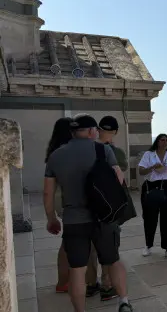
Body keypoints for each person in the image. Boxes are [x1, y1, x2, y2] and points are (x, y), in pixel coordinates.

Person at [43, 114, 132, 312]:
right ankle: (124, 302)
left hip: (74, 219)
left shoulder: (55, 156)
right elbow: (119, 179)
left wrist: (51, 218)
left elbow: (48, 191)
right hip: (103, 217)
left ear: (73, 132)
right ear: (92, 131)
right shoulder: (103, 149)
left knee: (77, 270)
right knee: (113, 260)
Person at [46, 117, 101, 296]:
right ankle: (90, 282)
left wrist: (51, 217)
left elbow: (48, 191)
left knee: (67, 243)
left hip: (62, 200)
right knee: (88, 244)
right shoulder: (87, 149)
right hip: (77, 202)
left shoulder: (56, 152)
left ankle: (63, 281)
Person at [95, 115, 133, 301]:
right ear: (116, 132)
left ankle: (88, 284)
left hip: (87, 205)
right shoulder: (114, 152)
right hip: (109, 206)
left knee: (89, 248)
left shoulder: (87, 148)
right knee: (109, 247)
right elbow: (122, 172)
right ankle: (107, 285)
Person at [138, 134, 167, 259]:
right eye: (162, 140)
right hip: (151, 187)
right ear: (157, 142)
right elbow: (141, 171)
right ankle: (148, 246)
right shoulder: (148, 155)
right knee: (149, 218)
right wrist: (152, 167)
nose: (164, 142)